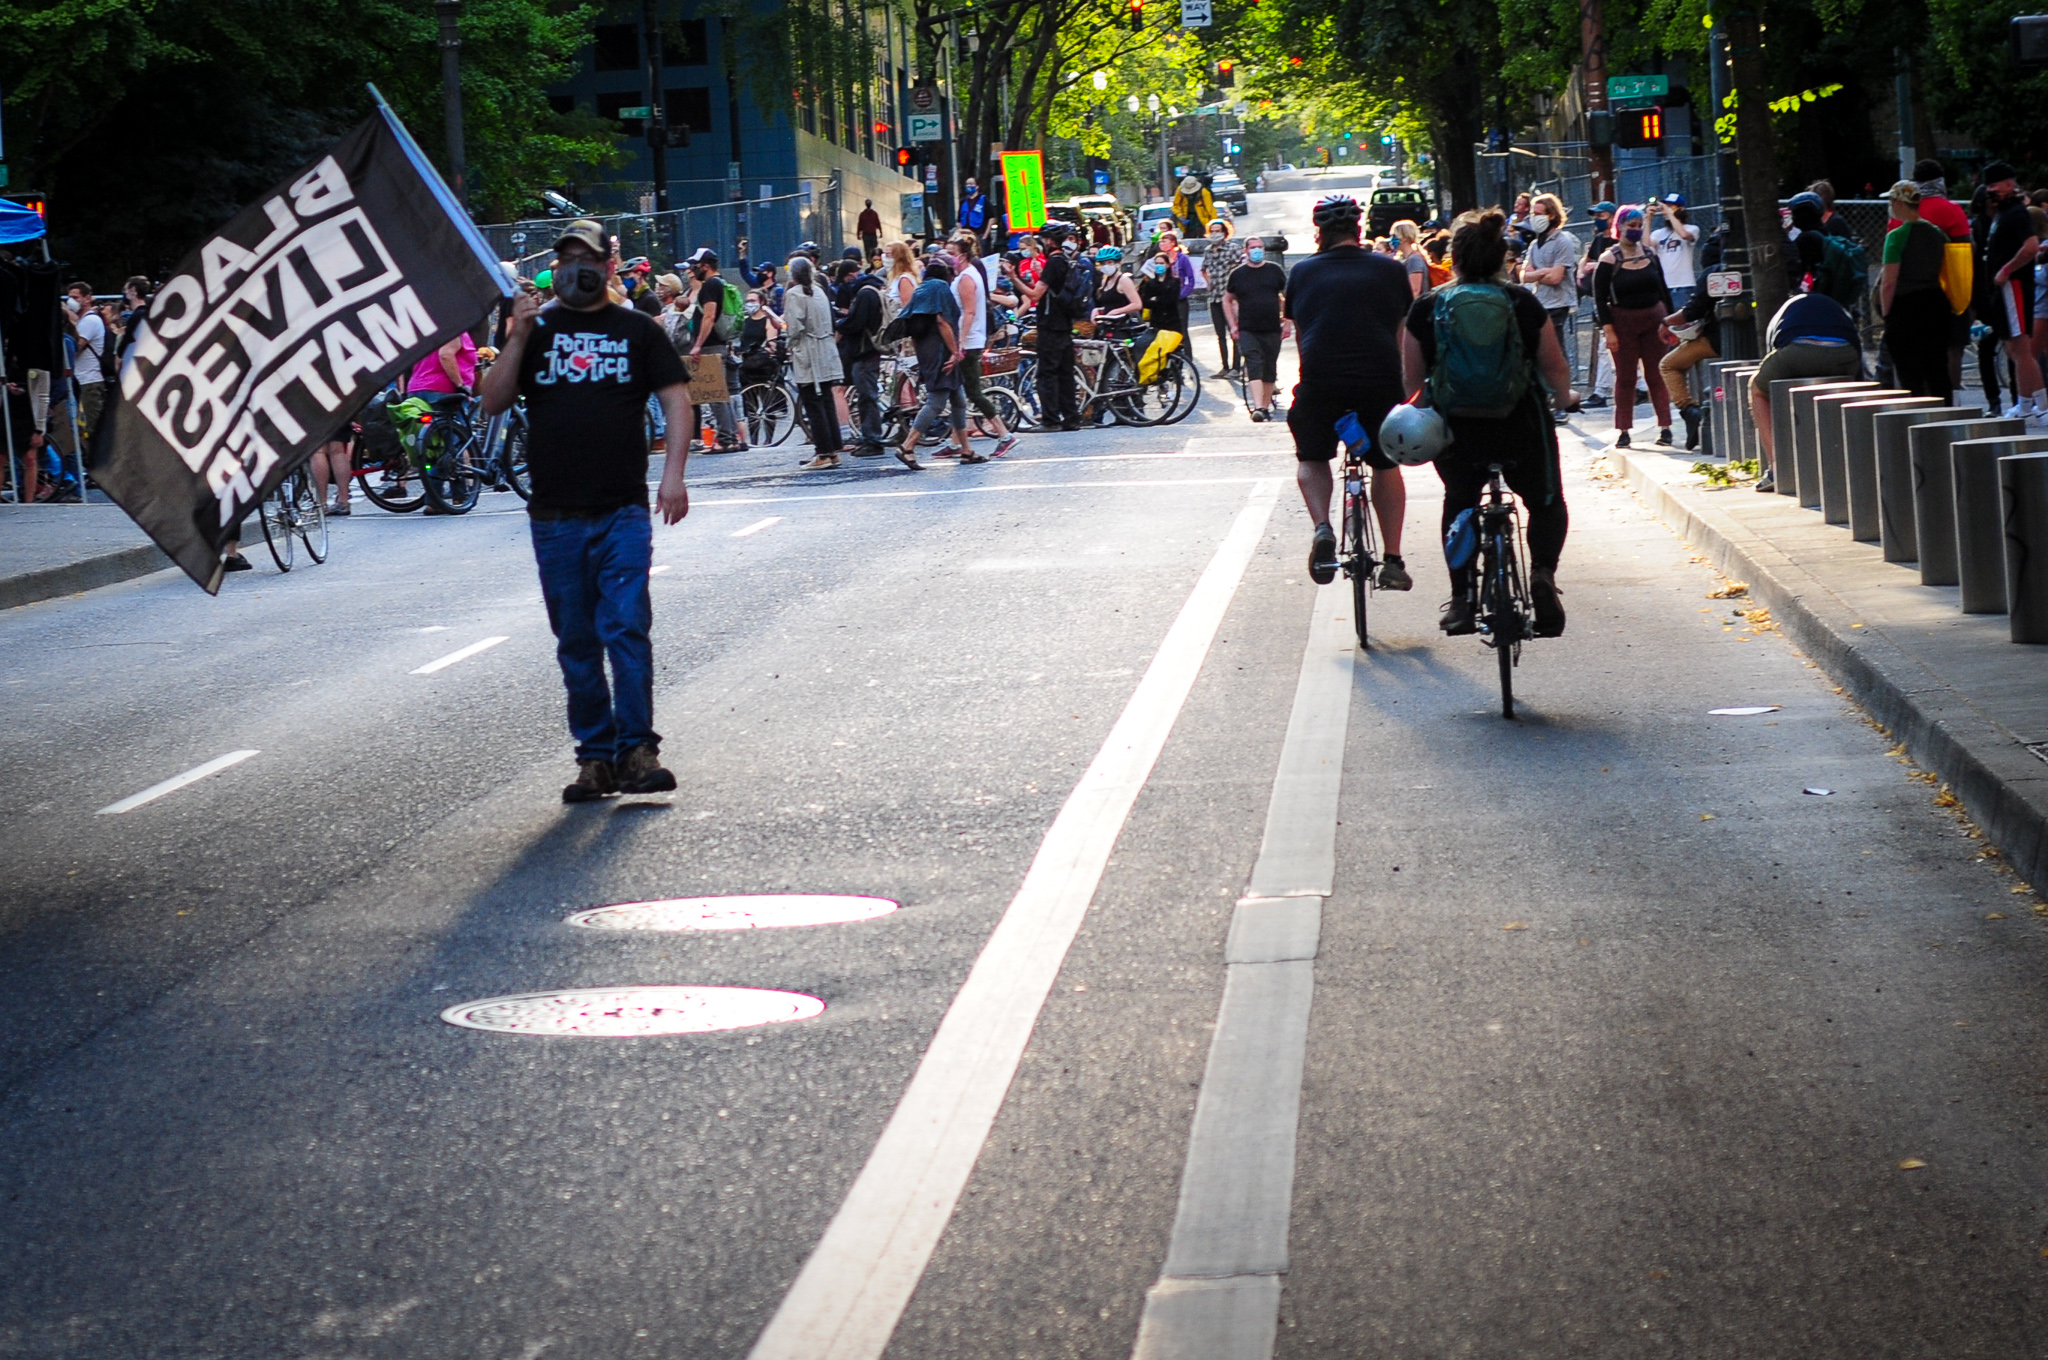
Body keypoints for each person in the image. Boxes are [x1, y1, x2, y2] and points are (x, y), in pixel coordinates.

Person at [478, 218, 691, 803]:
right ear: (557, 268)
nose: (578, 269)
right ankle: (594, 760)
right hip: (554, 517)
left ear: (608, 267)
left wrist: (673, 476)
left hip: (621, 509)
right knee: (576, 640)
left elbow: (677, 399)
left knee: (624, 626)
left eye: (588, 259)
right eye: (567, 259)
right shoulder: (535, 329)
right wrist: (517, 336)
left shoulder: (638, 330)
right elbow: (493, 400)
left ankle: (637, 752)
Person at [1399, 209, 1576, 638]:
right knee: (1546, 503)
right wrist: (1562, 397)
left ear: (1454, 259)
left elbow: (1411, 382)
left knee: (1459, 502)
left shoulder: (1428, 307)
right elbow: (1554, 368)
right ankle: (1543, 575)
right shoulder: (1523, 302)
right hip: (1520, 424)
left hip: (1457, 431)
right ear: (1502, 259)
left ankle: (1461, 599)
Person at [1283, 192, 1415, 593]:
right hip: (1379, 381)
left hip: (1323, 382)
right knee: (1386, 465)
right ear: (1359, 229)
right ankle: (1392, 558)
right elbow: (1401, 334)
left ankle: (1323, 526)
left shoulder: (1302, 273)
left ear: (1319, 232)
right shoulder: (1389, 270)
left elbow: (1303, 336)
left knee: (1312, 456)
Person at [1746, 235, 1861, 492]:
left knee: (1757, 387)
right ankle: (1855, 462)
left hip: (1797, 350)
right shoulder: (1833, 305)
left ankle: (1777, 467)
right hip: (1846, 354)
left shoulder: (1785, 310)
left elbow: (1775, 349)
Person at [1593, 205, 1674, 448]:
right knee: (1626, 377)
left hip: (1654, 319)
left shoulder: (1649, 255)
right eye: (1631, 226)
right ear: (1620, 227)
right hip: (1623, 321)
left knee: (1657, 374)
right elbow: (1599, 298)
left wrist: (1670, 322)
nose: (1635, 230)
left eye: (1639, 226)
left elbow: (1663, 289)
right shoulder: (1609, 259)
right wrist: (1609, 329)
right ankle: (1624, 430)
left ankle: (1666, 427)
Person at [896, 255, 984, 466]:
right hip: (941, 351)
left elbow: (913, 326)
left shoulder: (921, 290)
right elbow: (942, 321)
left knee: (958, 400)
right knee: (937, 401)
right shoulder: (940, 289)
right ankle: (907, 446)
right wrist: (954, 351)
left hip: (927, 350)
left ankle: (966, 450)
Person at [1979, 161, 2045, 422]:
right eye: (1989, 186)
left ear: (2009, 184)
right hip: (2004, 289)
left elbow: (2030, 247)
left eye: (1995, 185)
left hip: (2014, 287)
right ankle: (2025, 402)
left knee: (2022, 347)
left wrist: (2006, 270)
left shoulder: (2017, 213)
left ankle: (2042, 405)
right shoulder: (2003, 214)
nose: (1991, 190)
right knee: (2014, 349)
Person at [1880, 180, 1954, 404]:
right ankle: (1945, 415)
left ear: (1901, 203)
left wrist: (1886, 313)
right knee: (1937, 368)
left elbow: (1889, 282)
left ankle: (1918, 419)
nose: (1891, 205)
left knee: (1910, 372)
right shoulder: (1938, 234)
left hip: (1906, 307)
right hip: (1935, 302)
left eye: (1892, 201)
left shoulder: (1895, 237)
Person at [946, 234, 1019, 457]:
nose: (949, 259)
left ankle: (1004, 434)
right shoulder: (969, 275)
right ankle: (955, 442)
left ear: (963, 256)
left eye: (952, 254)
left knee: (973, 391)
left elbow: (968, 312)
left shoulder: (967, 278)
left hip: (968, 340)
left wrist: (960, 342)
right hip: (969, 339)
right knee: (959, 392)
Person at [781, 256, 846, 470]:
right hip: (826, 348)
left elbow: (795, 327)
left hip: (808, 351)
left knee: (812, 401)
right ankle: (833, 448)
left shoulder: (794, 293)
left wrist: (789, 343)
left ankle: (823, 452)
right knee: (825, 399)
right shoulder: (819, 291)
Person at [683, 247, 745, 451]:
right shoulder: (720, 283)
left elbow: (709, 316)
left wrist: (698, 344)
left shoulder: (710, 285)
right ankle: (731, 437)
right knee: (721, 393)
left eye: (696, 265)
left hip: (711, 345)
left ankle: (726, 439)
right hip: (720, 344)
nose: (693, 269)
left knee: (715, 394)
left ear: (706, 266)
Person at [1519, 195, 1580, 398]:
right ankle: (1550, 393)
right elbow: (1523, 275)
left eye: (1538, 214)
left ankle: (1562, 395)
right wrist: (1540, 273)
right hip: (1540, 302)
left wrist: (1537, 273)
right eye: (1532, 214)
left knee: (1556, 351)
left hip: (1558, 302)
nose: (1534, 218)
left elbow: (1556, 277)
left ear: (1552, 215)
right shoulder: (1534, 244)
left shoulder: (1563, 241)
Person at [1020, 224, 1080, 431]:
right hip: (1064, 324)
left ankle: (1051, 420)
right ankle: (1071, 418)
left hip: (1050, 325)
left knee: (1047, 374)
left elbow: (1035, 295)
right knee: (1066, 374)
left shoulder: (1053, 263)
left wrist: (1012, 278)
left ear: (1049, 241)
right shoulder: (1065, 260)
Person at [1224, 235, 1287, 421]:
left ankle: (1265, 406)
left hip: (1272, 327)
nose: (1257, 250)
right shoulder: (1238, 274)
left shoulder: (1274, 271)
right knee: (1254, 362)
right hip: (1248, 327)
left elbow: (1287, 295)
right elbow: (1227, 299)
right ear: (1246, 251)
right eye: (1253, 247)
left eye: (1260, 247)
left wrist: (1288, 322)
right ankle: (1258, 407)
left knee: (1269, 367)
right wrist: (1232, 324)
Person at [835, 269, 886, 456]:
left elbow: (856, 323)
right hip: (868, 353)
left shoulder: (865, 294)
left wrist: (840, 324)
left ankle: (872, 440)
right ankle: (870, 438)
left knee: (867, 398)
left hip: (864, 353)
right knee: (866, 397)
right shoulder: (872, 291)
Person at [1576, 203, 1618, 407]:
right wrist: (1583, 268)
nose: (1598, 219)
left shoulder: (1619, 238)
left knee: (1615, 346)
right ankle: (1601, 391)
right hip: (1602, 297)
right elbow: (1588, 260)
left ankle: (1604, 392)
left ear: (1612, 217)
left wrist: (1598, 265)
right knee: (1605, 347)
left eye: (1602, 215)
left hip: (1618, 297)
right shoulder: (1600, 239)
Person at [64, 281, 112, 444]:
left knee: (92, 427)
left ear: (87, 298)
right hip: (82, 379)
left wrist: (69, 321)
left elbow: (76, 347)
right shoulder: (83, 321)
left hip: (90, 381)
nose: (72, 301)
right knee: (83, 426)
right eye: (69, 297)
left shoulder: (90, 321)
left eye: (75, 297)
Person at [1202, 218, 1246, 377]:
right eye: (1212, 231)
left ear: (1225, 232)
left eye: (1217, 231)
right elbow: (1203, 269)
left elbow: (1242, 265)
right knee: (1220, 334)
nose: (1214, 234)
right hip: (1214, 297)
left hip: (1230, 297)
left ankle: (1236, 367)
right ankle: (1225, 366)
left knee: (1234, 331)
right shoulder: (1208, 250)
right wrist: (1208, 282)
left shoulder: (1233, 248)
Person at [1650, 194, 1700, 309]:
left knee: (1682, 322)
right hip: (1664, 286)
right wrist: (1647, 219)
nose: (1667, 209)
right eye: (1666, 206)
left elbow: (1683, 235)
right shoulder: (1658, 233)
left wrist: (1669, 214)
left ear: (1681, 209)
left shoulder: (1692, 229)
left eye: (1671, 206)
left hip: (1684, 285)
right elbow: (1646, 246)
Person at [1391, 220, 1430, 300]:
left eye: (1394, 236)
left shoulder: (1414, 260)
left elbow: (1415, 291)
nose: (1392, 239)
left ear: (1404, 237)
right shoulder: (1407, 258)